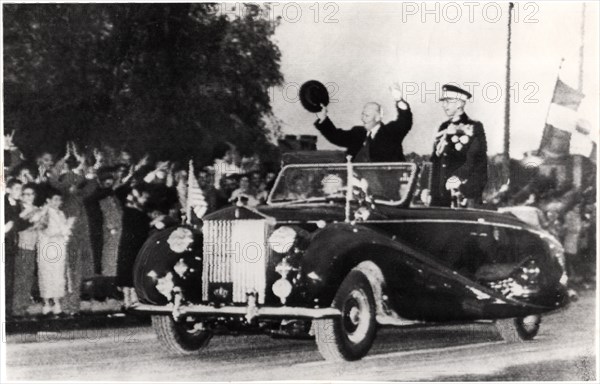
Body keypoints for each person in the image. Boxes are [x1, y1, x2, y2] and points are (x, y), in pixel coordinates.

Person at [313, 83, 412, 162]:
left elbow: (405, 121)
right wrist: (323, 118)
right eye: (362, 115)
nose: (363, 119)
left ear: (378, 118)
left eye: (367, 116)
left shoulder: (391, 132)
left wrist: (399, 100)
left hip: (387, 183)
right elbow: (336, 136)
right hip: (356, 183)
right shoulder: (357, 133)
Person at [430, 84, 487, 207]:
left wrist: (459, 179)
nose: (444, 105)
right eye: (443, 102)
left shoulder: (474, 127)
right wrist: (428, 188)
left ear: (460, 104)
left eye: (448, 101)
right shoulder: (443, 127)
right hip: (440, 196)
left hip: (461, 194)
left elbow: (475, 159)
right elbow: (436, 161)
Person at [35, 187, 75, 316]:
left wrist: (67, 230)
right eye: (55, 199)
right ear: (48, 200)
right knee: (46, 275)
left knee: (58, 275)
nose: (58, 202)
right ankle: (46, 303)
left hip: (59, 247)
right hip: (47, 248)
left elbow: (65, 231)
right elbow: (45, 230)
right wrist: (63, 231)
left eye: (59, 200)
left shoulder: (61, 213)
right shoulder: (44, 212)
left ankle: (57, 303)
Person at [12, 183, 42, 317]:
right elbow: (19, 225)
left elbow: (41, 225)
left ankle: (24, 307)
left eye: (32, 194)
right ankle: (17, 309)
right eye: (26, 194)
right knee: (21, 279)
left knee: (28, 278)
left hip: (33, 246)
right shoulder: (19, 208)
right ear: (22, 196)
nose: (29, 197)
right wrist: (33, 221)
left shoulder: (37, 209)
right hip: (22, 246)